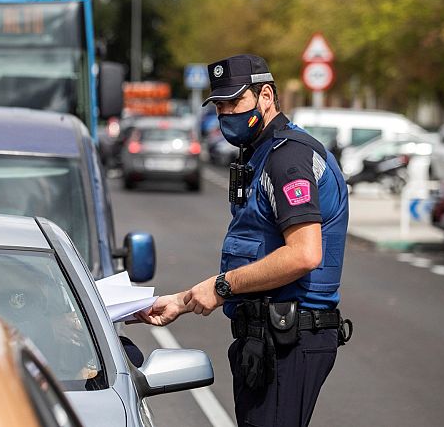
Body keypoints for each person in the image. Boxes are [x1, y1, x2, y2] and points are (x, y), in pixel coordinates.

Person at [137, 54, 352, 426]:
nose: (226, 115)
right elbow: (254, 255)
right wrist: (182, 301)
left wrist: (222, 287)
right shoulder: (263, 154)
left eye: (235, 102)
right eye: (219, 106)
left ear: (266, 95)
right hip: (269, 338)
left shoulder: (289, 159)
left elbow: (304, 255)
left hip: (290, 339)